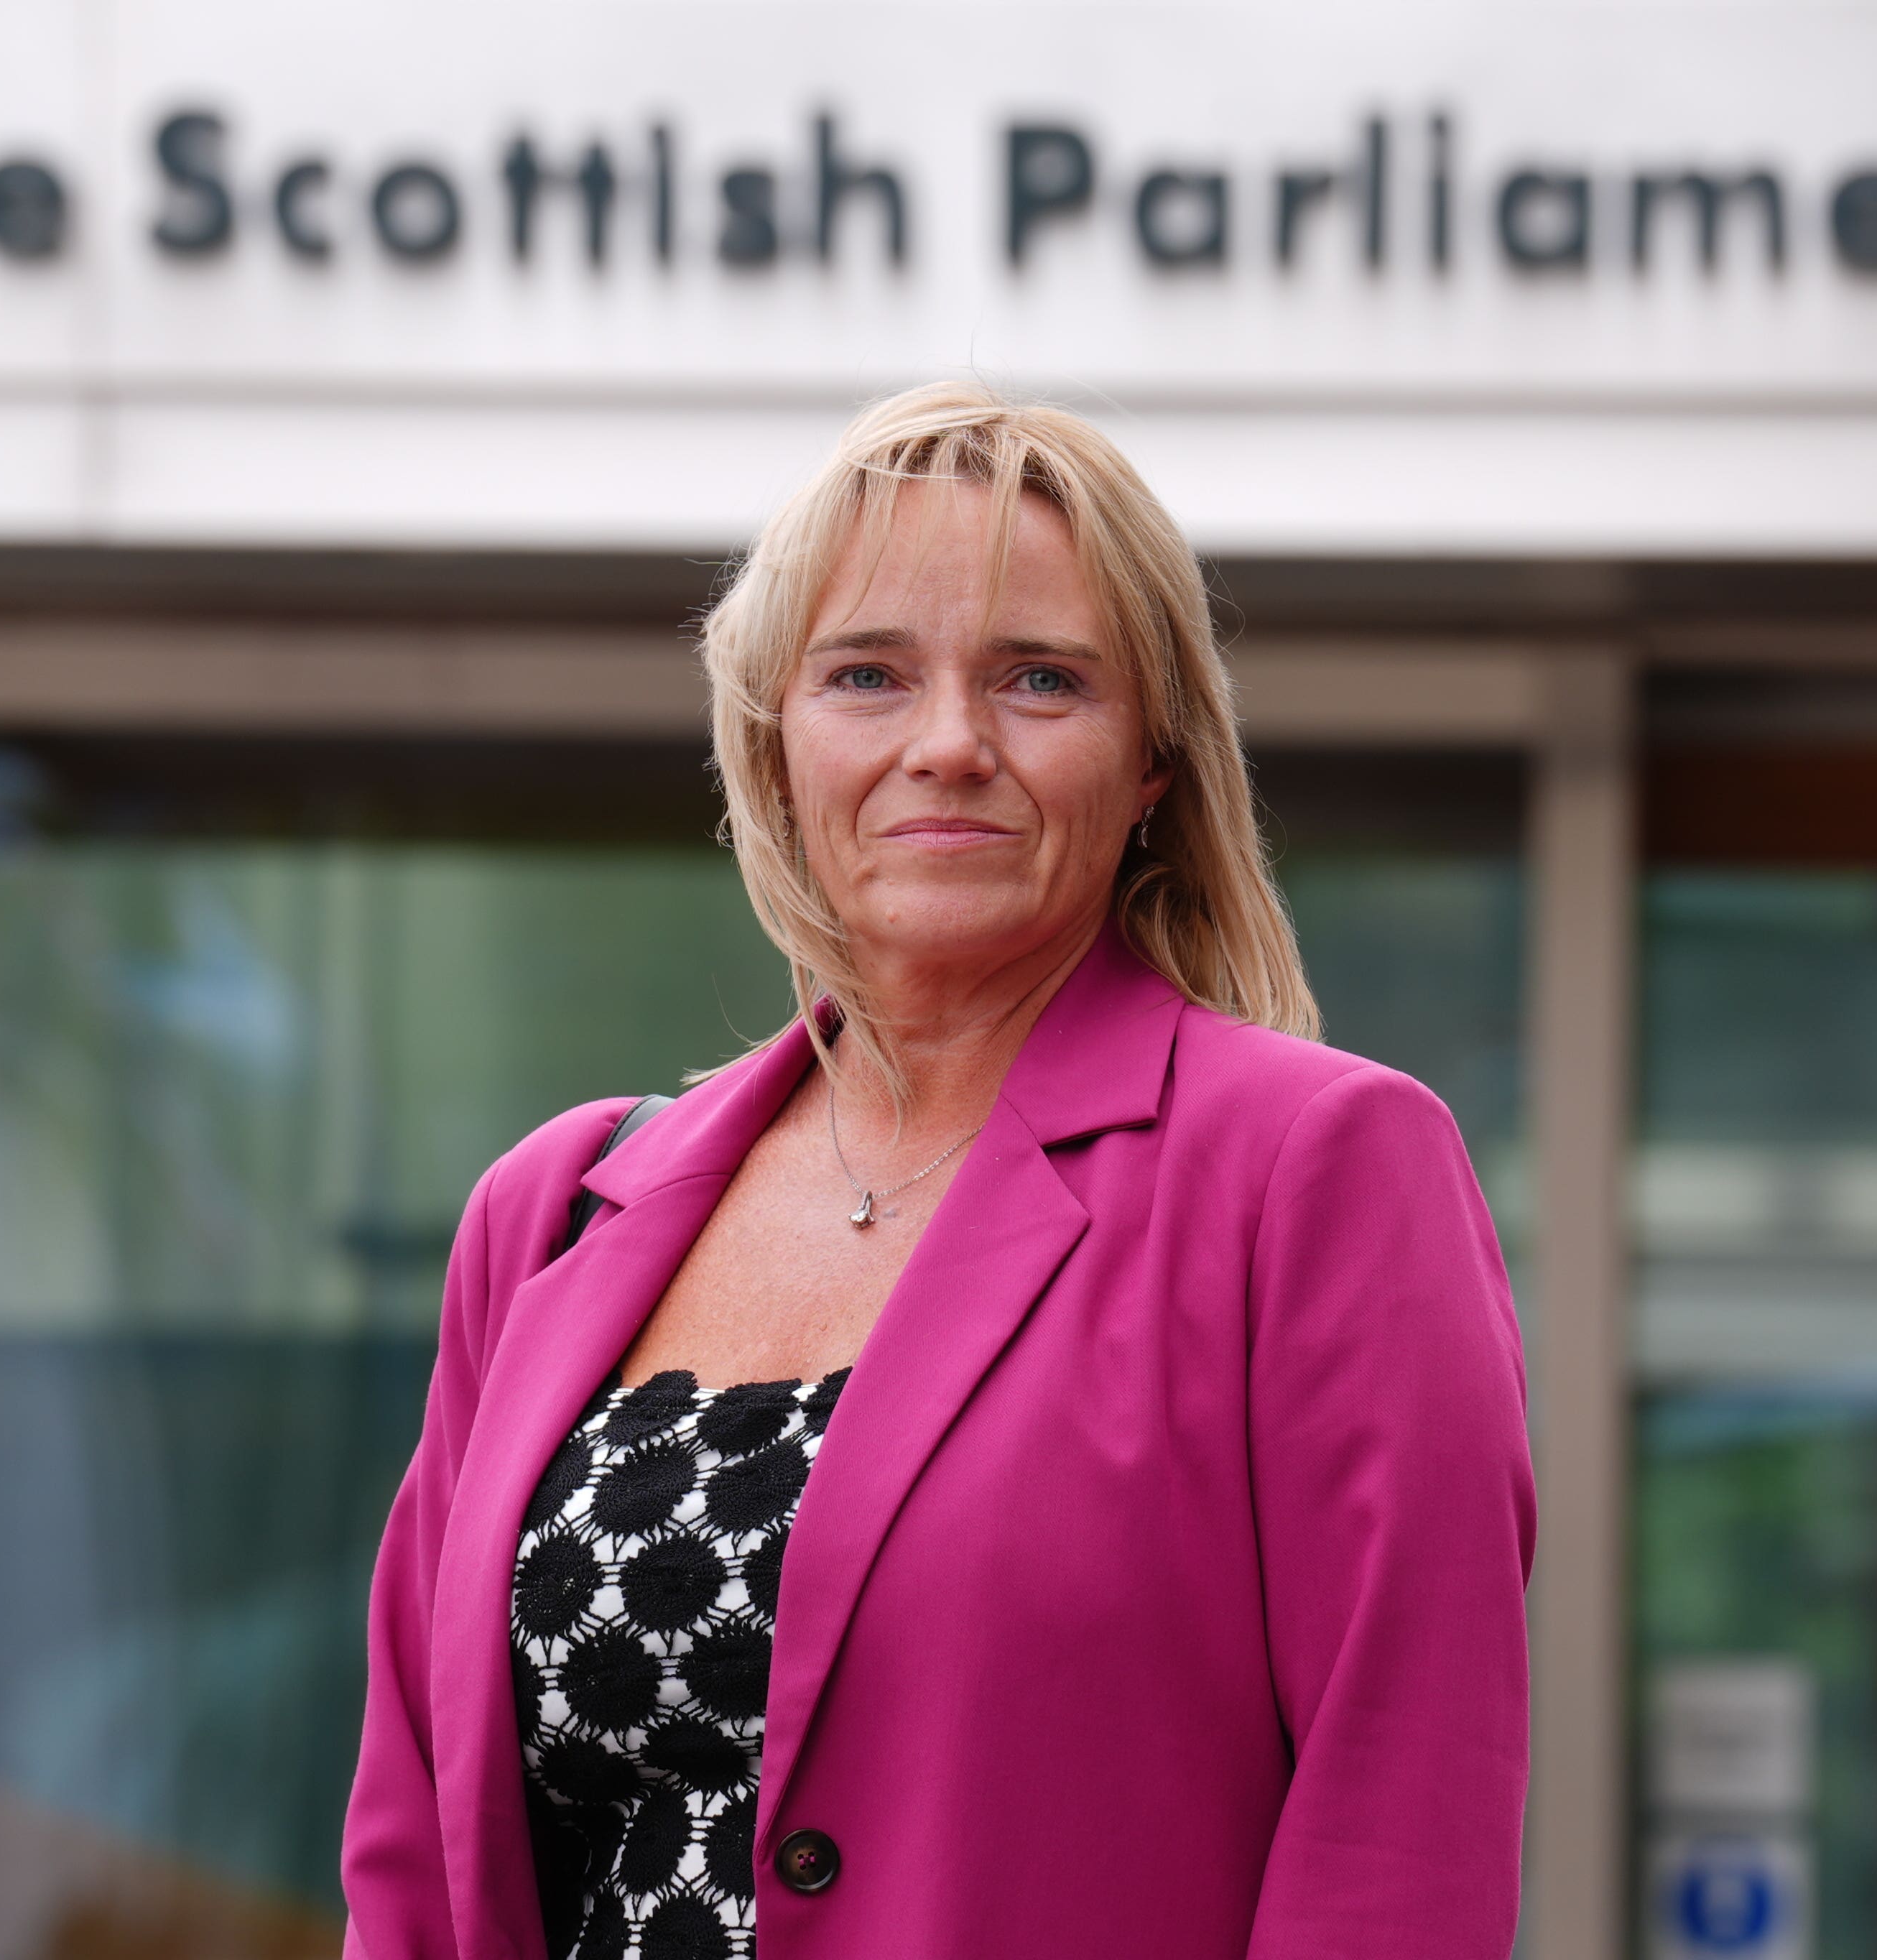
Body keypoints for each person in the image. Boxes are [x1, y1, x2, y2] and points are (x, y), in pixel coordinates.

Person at [340, 383, 1533, 1960]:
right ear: (775, 745)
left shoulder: (1314, 1171)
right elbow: (417, 1860)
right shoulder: (552, 1211)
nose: (950, 742)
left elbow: (1399, 1841)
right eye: (868, 674)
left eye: (1041, 678)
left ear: (1156, 761)